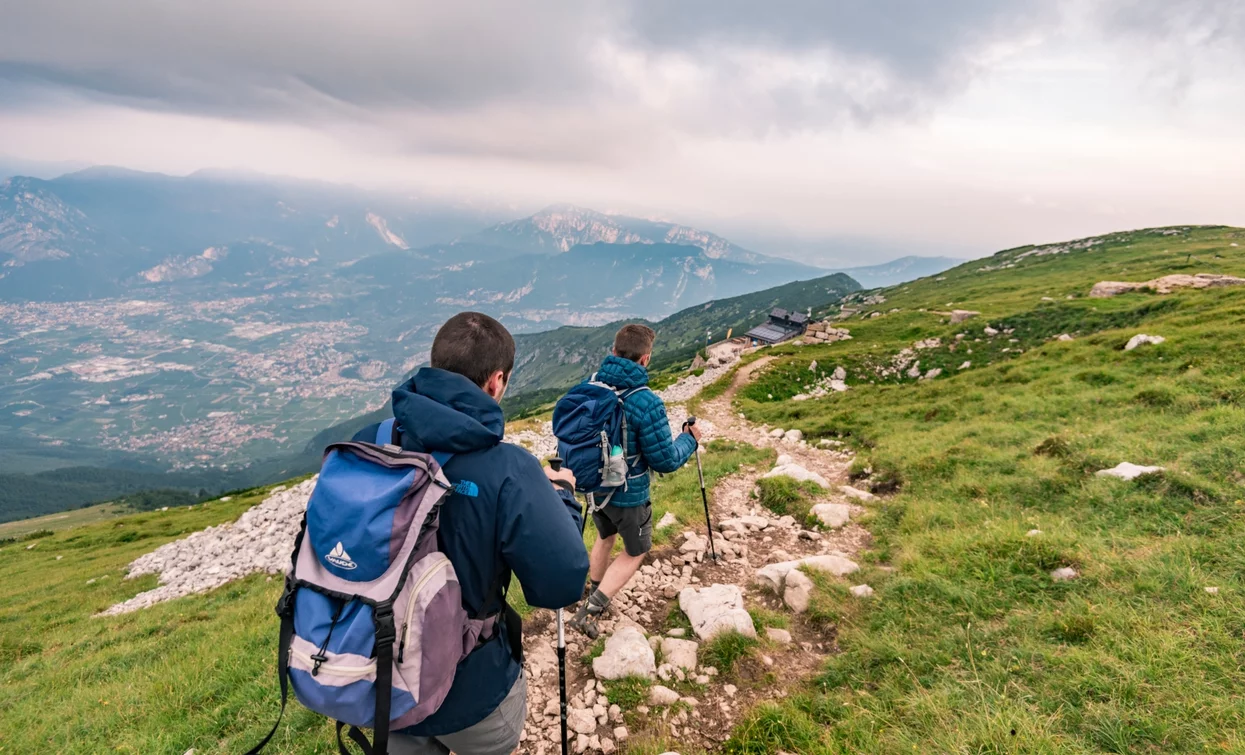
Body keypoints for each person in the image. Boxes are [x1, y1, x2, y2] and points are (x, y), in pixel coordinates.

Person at [355, 311, 589, 755]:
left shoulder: (371, 441)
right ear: (496, 382)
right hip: (471, 696)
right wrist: (560, 498)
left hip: (380, 678)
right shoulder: (510, 469)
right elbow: (561, 583)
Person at [568, 324, 701, 638]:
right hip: (629, 495)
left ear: (613, 352)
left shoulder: (590, 386)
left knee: (605, 537)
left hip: (595, 488)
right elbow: (665, 460)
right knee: (637, 550)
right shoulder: (646, 402)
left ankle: (595, 591)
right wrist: (689, 440)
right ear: (645, 360)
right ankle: (592, 609)